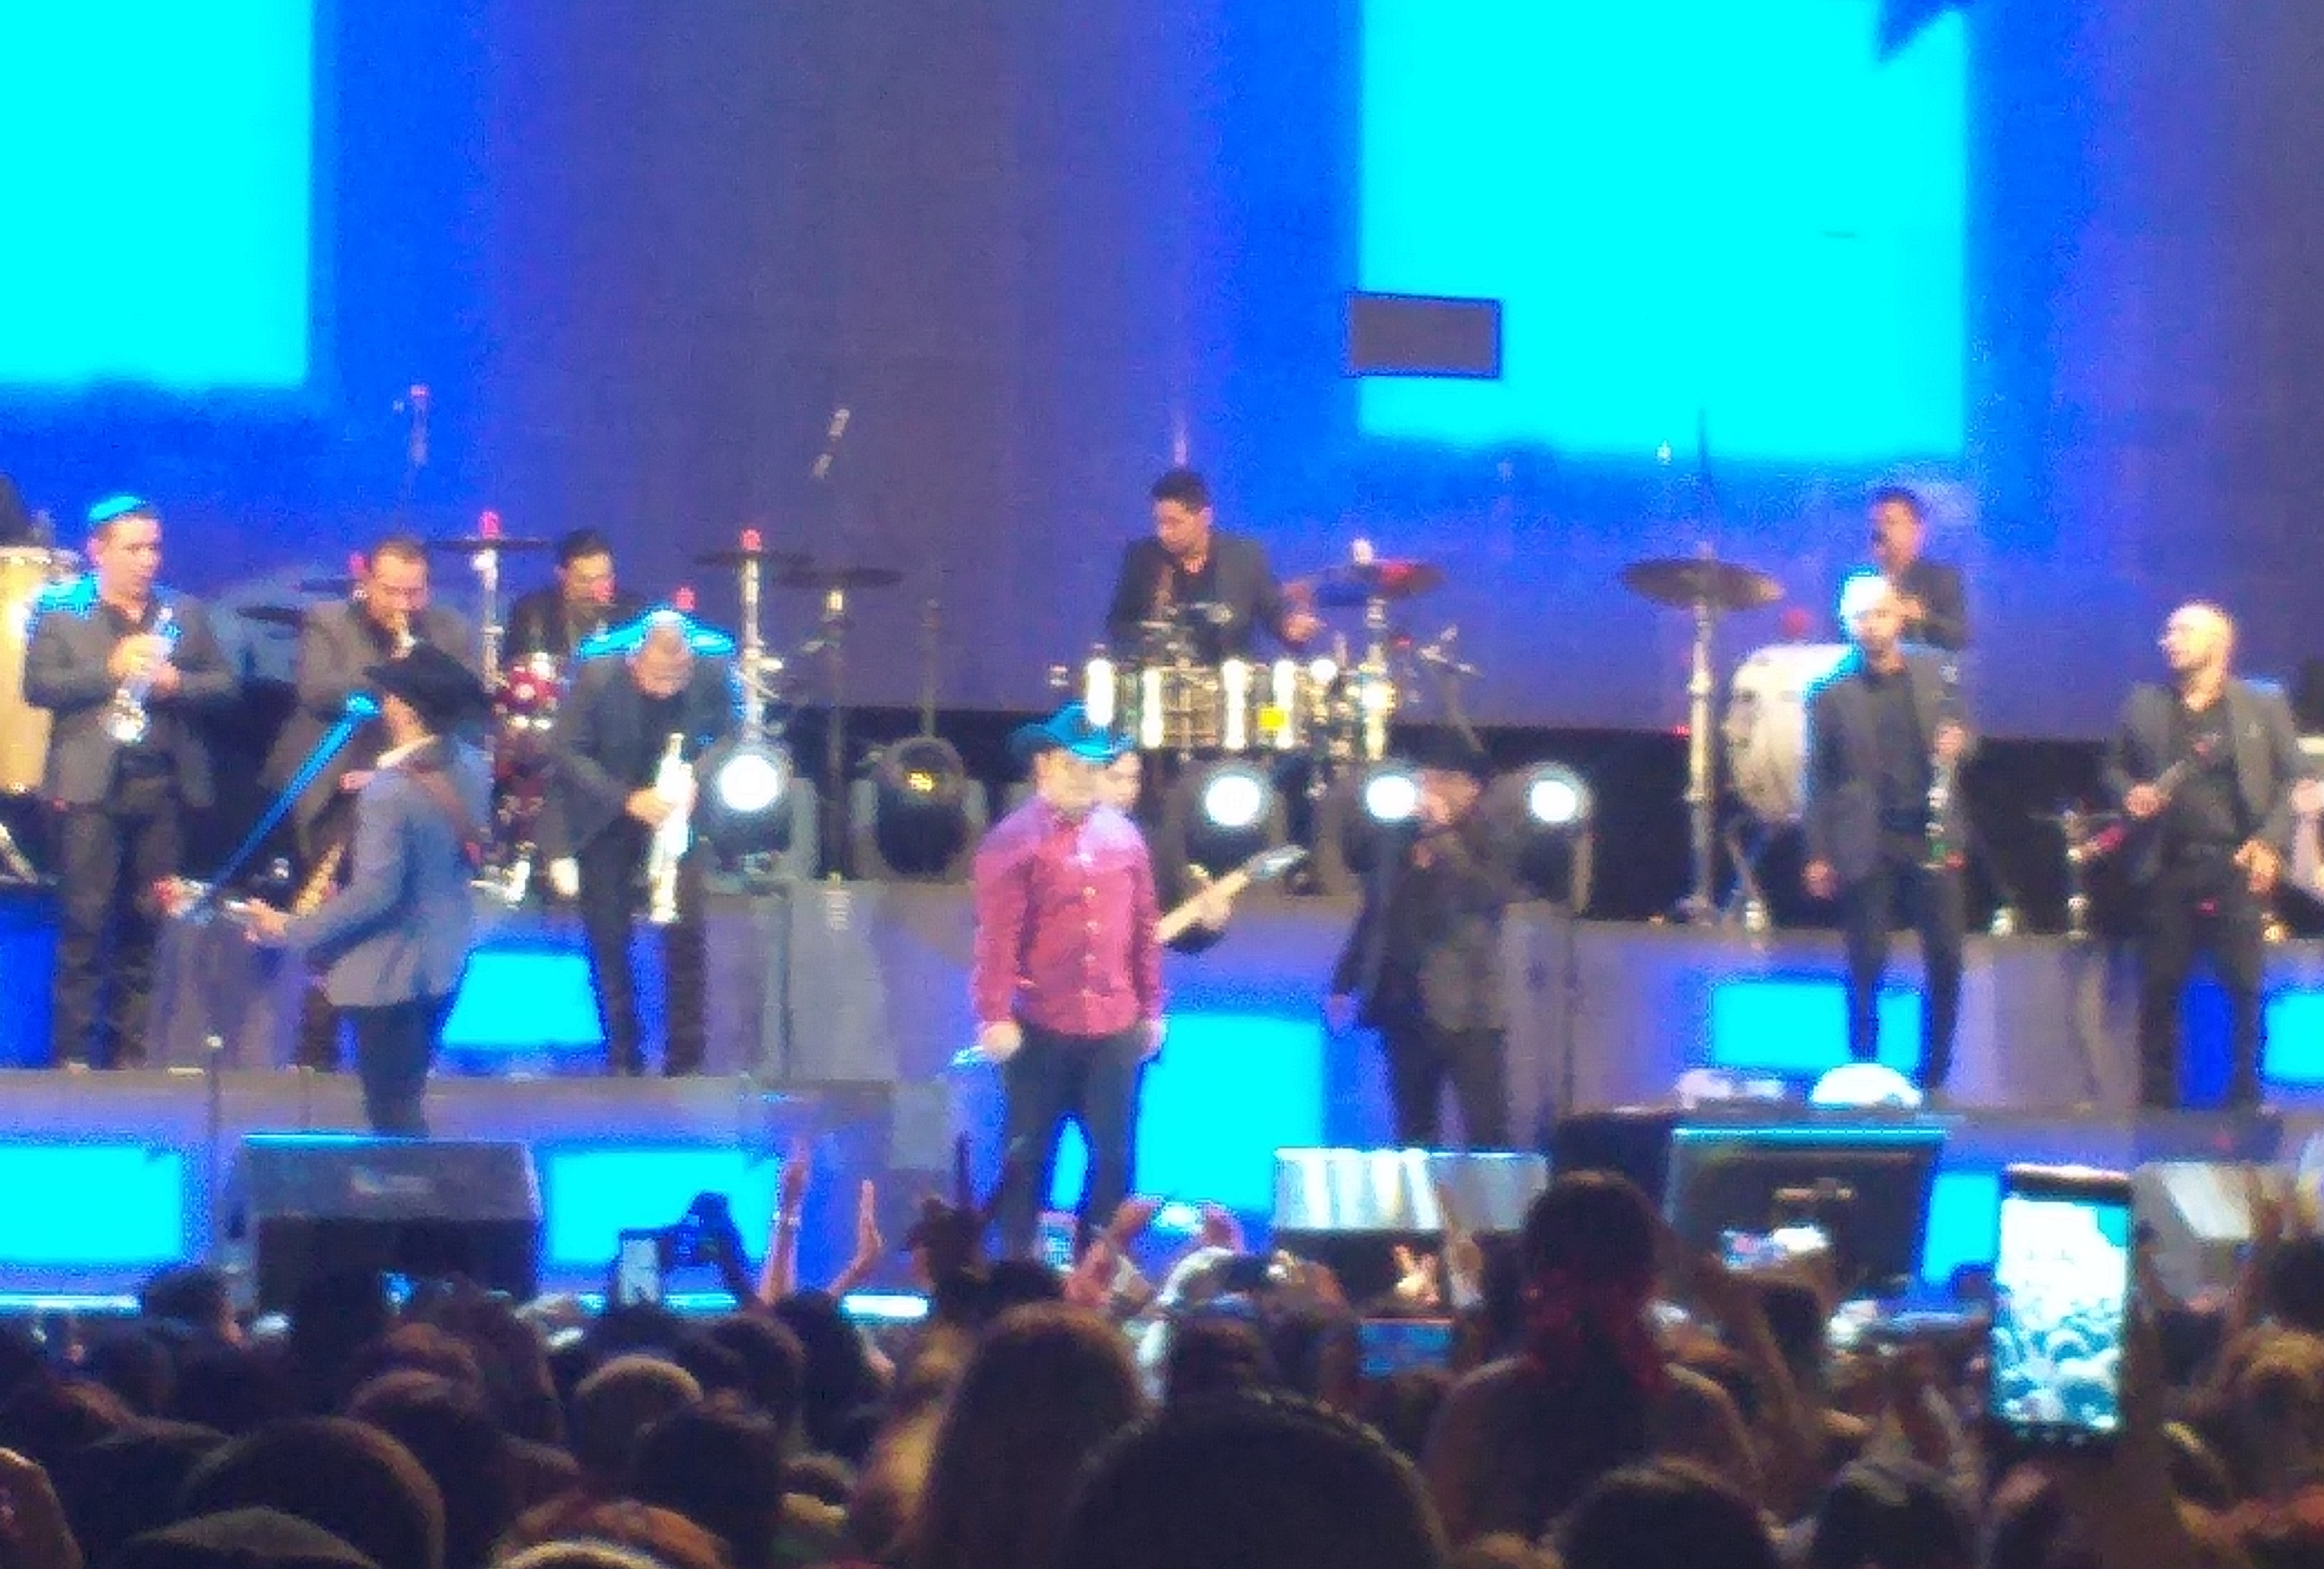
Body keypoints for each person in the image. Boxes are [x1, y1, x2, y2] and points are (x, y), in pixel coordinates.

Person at [243, 644, 491, 1135]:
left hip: (390, 975)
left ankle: (409, 1186)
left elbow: (375, 893)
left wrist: (290, 929)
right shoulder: (470, 765)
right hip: (446, 959)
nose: (384, 702)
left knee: (391, 1109)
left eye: (391, 695)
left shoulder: (389, 792)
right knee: (407, 1096)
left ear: (408, 710)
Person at [24, 496, 235, 1068]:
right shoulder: (60, 609)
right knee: (85, 927)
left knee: (150, 931)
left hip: (163, 790)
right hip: (90, 790)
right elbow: (38, 686)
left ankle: (133, 1061)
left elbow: (225, 686)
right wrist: (110, 670)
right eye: (134, 548)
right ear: (98, 550)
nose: (148, 560)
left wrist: (175, 683)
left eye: (154, 548)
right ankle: (72, 1060)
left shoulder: (184, 612)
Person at [263, 536, 478, 1068]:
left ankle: (400, 1054)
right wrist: (392, 675)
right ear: (365, 583)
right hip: (338, 792)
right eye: (391, 592)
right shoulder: (328, 622)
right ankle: (316, 1053)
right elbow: (319, 692)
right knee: (337, 913)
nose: (404, 604)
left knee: (409, 916)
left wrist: (393, 774)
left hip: (417, 794)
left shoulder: (449, 629)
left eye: (414, 592)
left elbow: (465, 709)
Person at [969, 703, 1164, 1259]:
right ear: (1045, 766)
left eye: (1093, 767)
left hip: (1113, 1024)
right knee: (1028, 1157)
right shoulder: (1013, 840)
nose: (1083, 777)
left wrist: (1152, 1007)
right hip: (1041, 1026)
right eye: (1073, 765)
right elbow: (997, 936)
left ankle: (1097, 1265)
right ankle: (1016, 1267)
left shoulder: (1123, 838)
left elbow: (1143, 928)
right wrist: (993, 1014)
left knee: (1114, 1158)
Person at [2105, 602, 2303, 1112]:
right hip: (2167, 863)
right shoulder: (2144, 703)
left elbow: (2295, 780)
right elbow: (2112, 770)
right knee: (2159, 986)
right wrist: (2129, 793)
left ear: (2218, 643)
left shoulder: (2260, 704)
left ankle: (2244, 1096)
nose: (2168, 640)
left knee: (2244, 984)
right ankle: (2156, 1103)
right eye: (2167, 631)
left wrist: (2269, 842)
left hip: (2236, 862)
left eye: (2182, 631)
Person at [1801, 573, 1972, 1097]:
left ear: (1898, 617)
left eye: (1879, 614)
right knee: (1865, 961)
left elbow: (1967, 737)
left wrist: (1959, 743)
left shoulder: (1935, 673)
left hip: (1930, 834)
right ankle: (1864, 1071)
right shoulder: (1829, 695)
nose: (1871, 626)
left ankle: (1934, 1074)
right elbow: (1818, 780)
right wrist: (1817, 853)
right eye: (1860, 617)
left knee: (1945, 956)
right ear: (1847, 625)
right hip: (1867, 838)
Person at [545, 612, 733, 1076]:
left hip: (676, 816)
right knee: (609, 940)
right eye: (657, 677)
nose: (667, 688)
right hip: (608, 815)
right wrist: (627, 799)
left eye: (678, 677)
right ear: (635, 660)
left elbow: (730, 735)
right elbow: (566, 750)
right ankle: (623, 1056)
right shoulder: (597, 676)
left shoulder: (711, 670)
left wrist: (697, 776)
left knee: (686, 938)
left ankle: (685, 1060)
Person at [1326, 729, 1518, 1149]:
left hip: (1468, 1012)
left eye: (1440, 779)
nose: (1428, 789)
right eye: (1423, 779)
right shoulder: (1397, 836)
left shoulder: (1490, 837)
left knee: (1487, 1134)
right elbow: (1375, 911)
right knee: (1414, 1135)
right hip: (1404, 1007)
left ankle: (1488, 1197)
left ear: (1469, 788)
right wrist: (1344, 982)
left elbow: (1486, 896)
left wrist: (1443, 836)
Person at [1103, 468, 1319, 663]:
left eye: (1174, 523)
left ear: (1205, 517)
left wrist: (1290, 627)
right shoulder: (1142, 557)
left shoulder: (1244, 557)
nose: (1163, 533)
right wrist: (1147, 642)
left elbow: (1274, 612)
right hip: (1160, 679)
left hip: (1229, 679)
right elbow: (1118, 625)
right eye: (1159, 522)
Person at [504, 529, 643, 661]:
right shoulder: (533, 614)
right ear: (562, 576)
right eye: (584, 581)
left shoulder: (633, 612)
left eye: (603, 579)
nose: (594, 592)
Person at [1867, 486, 1968, 651]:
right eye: (1875, 523)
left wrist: (1918, 616)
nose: (1881, 531)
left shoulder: (1942, 579)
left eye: (1890, 522)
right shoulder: (1860, 581)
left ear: (1917, 530)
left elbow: (1958, 638)